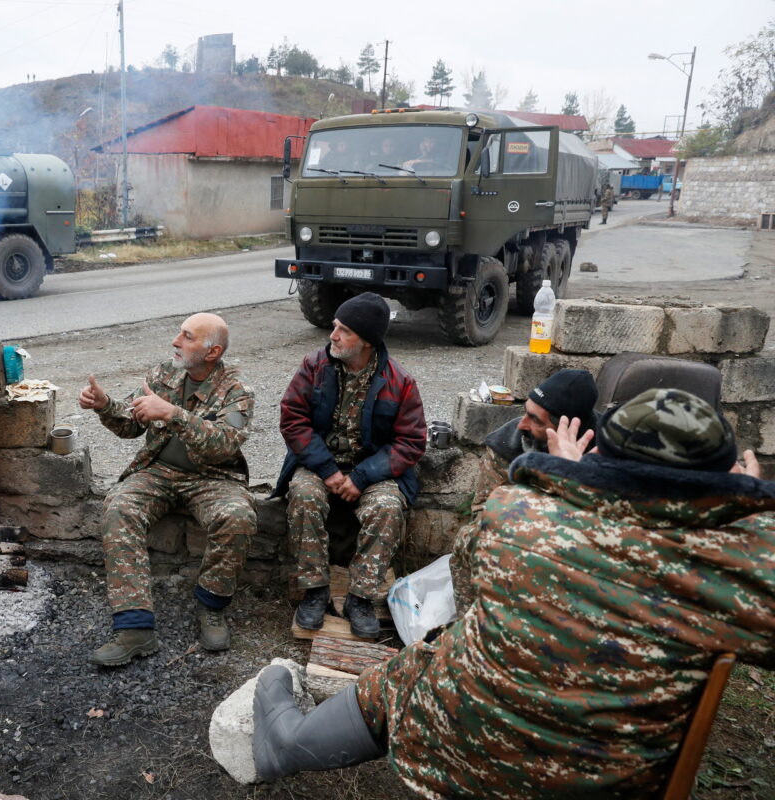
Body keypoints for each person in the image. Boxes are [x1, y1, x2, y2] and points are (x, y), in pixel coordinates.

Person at [249, 388, 775, 797]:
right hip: (600, 784)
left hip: (447, 759)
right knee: (427, 654)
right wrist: (749, 512)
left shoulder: (519, 511)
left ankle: (290, 745)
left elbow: (472, 562)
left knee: (424, 660)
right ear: (721, 479)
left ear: (602, 455)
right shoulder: (740, 566)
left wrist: (563, 479)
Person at [79, 313, 256, 666]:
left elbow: (224, 444)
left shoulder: (237, 390)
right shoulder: (164, 373)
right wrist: (104, 405)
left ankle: (212, 606)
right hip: (158, 470)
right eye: (179, 334)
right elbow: (131, 423)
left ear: (212, 351)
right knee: (119, 507)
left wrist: (173, 413)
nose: (176, 341)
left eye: (187, 337)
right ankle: (135, 628)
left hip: (213, 478)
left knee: (237, 517)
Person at [275, 293, 426, 638]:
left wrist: (360, 476)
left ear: (367, 341)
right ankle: (315, 591)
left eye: (344, 330)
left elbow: (410, 442)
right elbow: (293, 421)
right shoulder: (314, 366)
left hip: (371, 472)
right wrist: (328, 471)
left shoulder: (400, 381)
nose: (333, 336)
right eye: (334, 327)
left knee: (388, 507)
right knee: (303, 495)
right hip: (319, 465)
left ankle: (359, 598)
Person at [449, 368, 598, 613]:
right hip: (519, 534)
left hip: (578, 544)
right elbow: (483, 511)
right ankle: (471, 623)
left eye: (535, 419)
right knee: (471, 538)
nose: (522, 424)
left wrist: (572, 477)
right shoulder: (507, 443)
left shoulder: (602, 449)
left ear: (566, 427)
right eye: (525, 412)